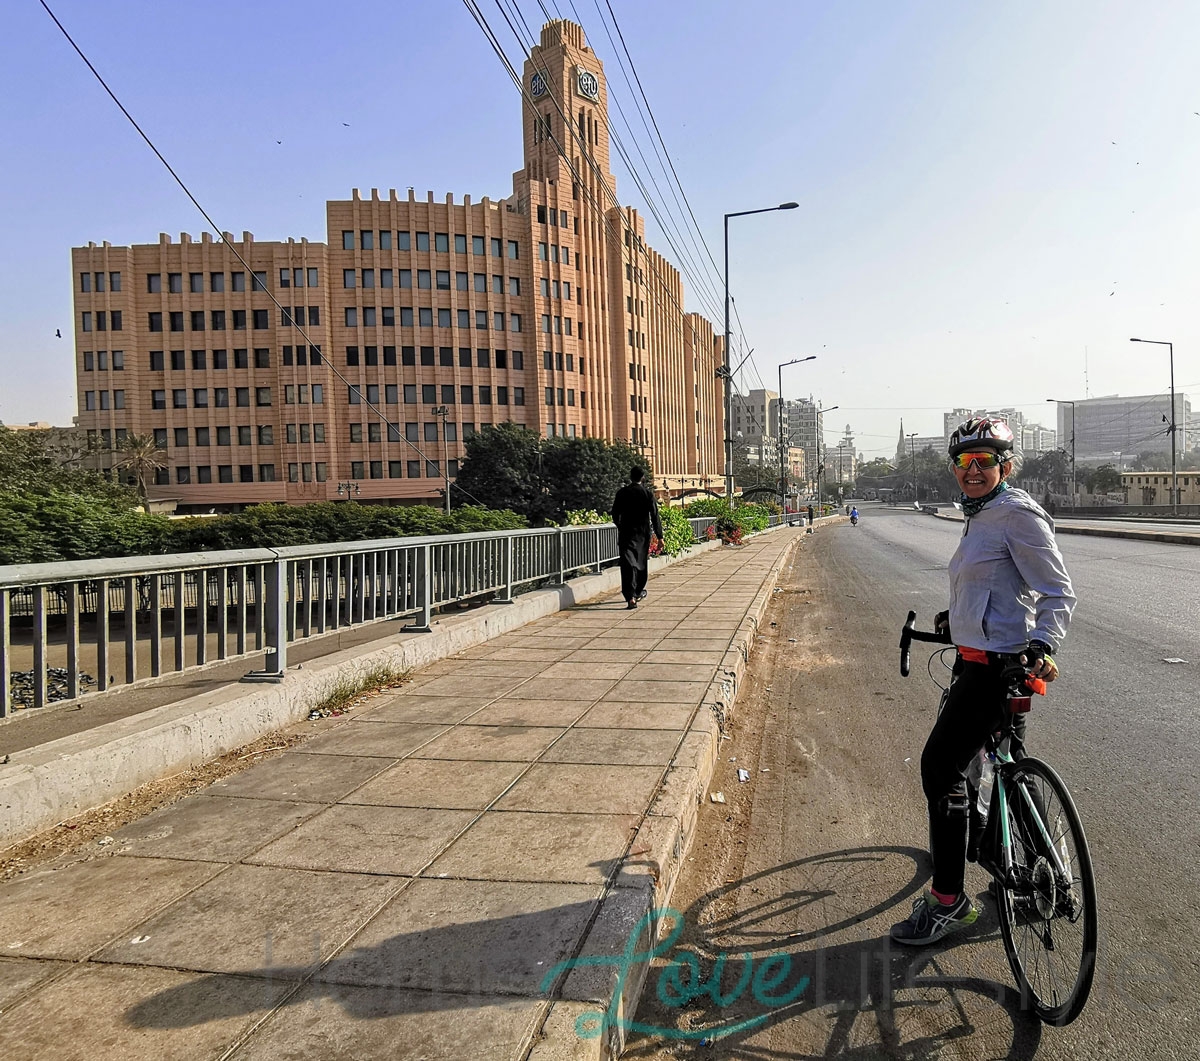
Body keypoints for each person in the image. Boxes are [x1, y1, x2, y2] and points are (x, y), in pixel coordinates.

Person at [891, 417, 1076, 946]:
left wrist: (1043, 644)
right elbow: (994, 586)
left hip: (998, 668)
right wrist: (957, 619)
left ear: (1005, 466)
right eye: (964, 462)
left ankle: (949, 903)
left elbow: (1057, 593)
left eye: (984, 461)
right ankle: (1040, 873)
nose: (972, 471)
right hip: (977, 657)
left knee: (940, 767)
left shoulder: (1016, 515)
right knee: (1005, 761)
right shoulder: (981, 515)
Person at [611, 466, 664, 609]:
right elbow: (655, 516)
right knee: (641, 563)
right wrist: (660, 536)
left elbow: (615, 514)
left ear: (630, 477)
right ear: (642, 478)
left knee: (627, 565)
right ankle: (638, 591)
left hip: (626, 534)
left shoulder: (622, 493)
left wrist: (620, 526)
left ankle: (630, 597)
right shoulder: (647, 494)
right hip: (642, 534)